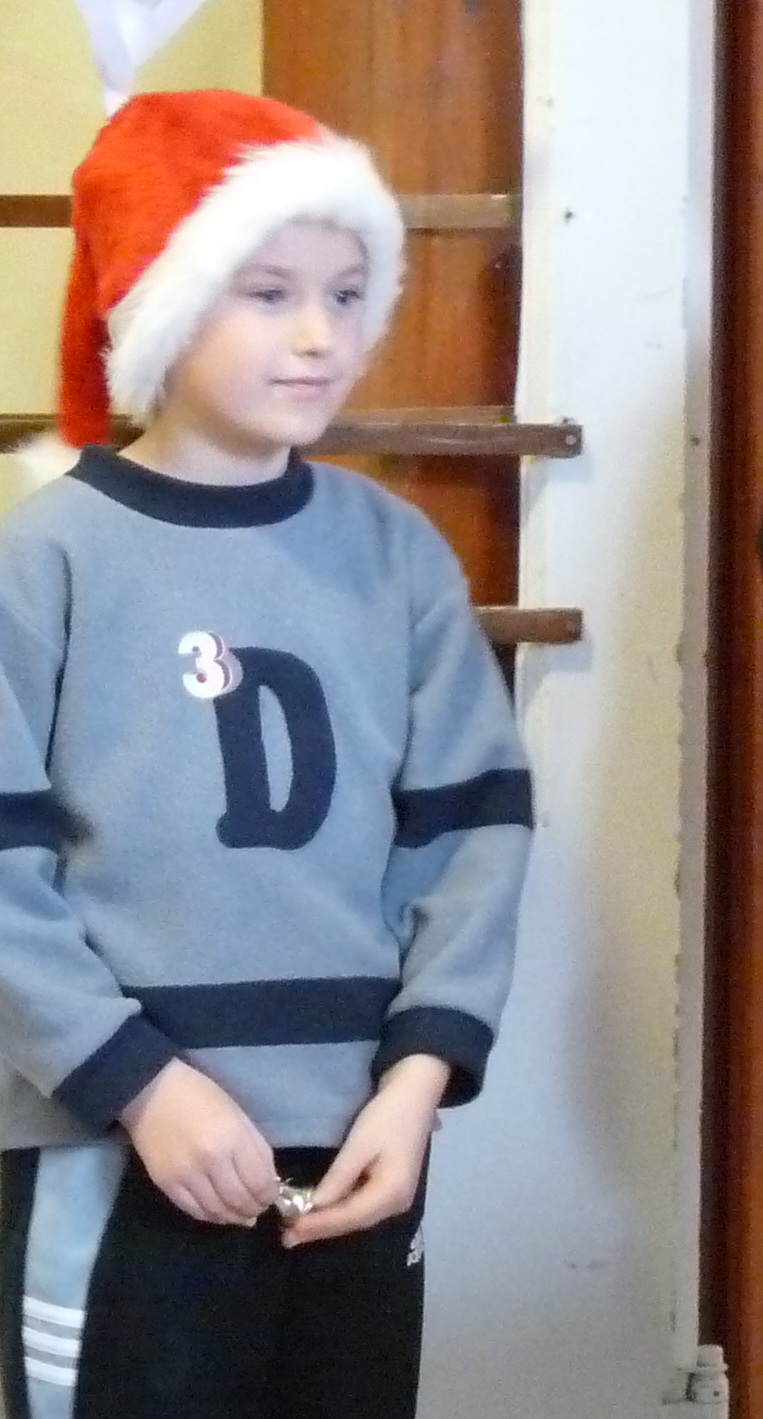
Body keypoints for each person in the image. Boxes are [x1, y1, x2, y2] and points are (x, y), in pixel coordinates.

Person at [0, 90, 534, 1419]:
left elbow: (469, 836)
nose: (318, 335)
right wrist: (140, 1087)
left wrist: (412, 1087)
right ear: (162, 306)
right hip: (115, 1142)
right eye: (268, 292)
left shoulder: (397, 554)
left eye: (347, 295)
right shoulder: (47, 559)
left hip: (357, 1146)